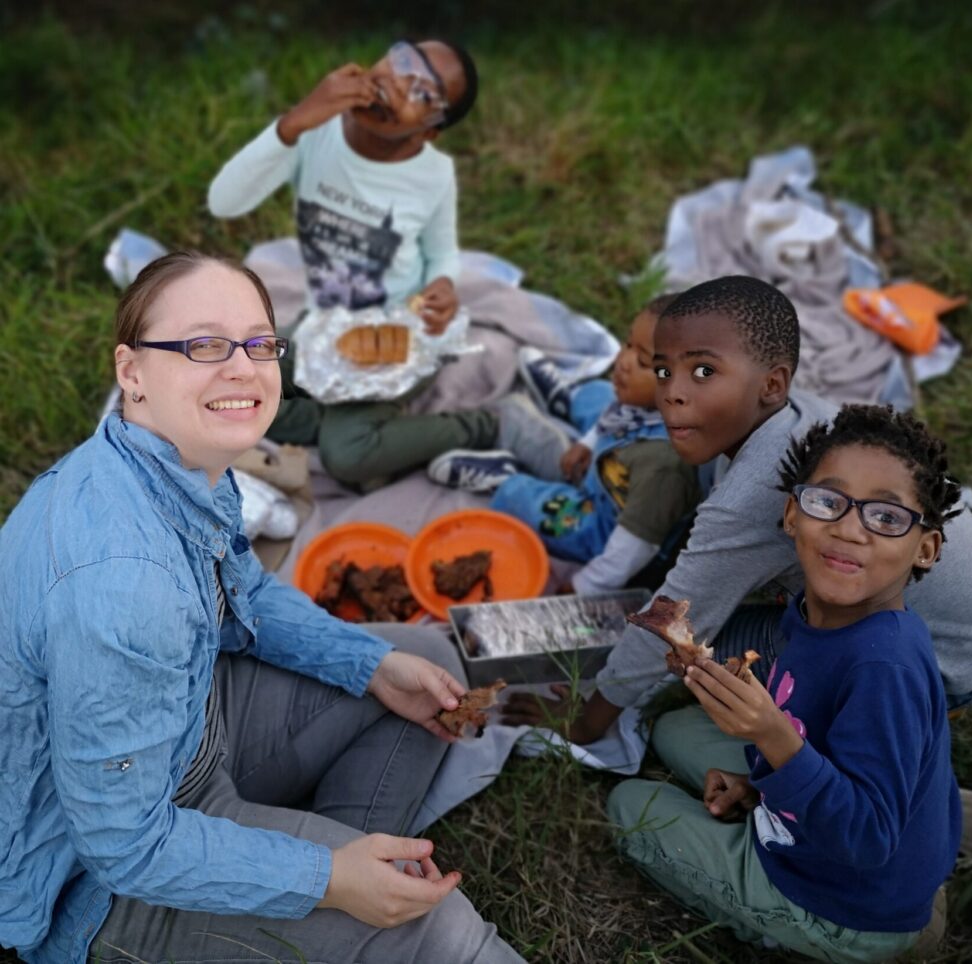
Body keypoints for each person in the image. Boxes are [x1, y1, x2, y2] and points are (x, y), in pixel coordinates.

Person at [0, 252, 524, 964]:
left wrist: (368, 663)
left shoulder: (174, 463)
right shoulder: (123, 593)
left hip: (189, 737)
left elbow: (242, 592)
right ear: (132, 373)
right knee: (438, 932)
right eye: (204, 346)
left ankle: (320, 911)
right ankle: (336, 908)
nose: (243, 368)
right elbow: (123, 844)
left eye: (258, 343)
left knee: (422, 665)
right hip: (98, 884)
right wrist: (325, 878)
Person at [501, 275, 972, 745]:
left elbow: (672, 622)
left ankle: (906, 725)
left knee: (693, 656)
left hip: (948, 662)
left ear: (772, 383)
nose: (672, 394)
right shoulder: (797, 418)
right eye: (662, 371)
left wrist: (584, 722)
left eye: (703, 371)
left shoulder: (754, 494)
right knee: (684, 604)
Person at [607, 404, 963, 962]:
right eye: (828, 501)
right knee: (675, 729)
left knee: (631, 807)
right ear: (791, 515)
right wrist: (759, 785)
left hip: (847, 903)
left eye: (887, 518)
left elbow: (868, 837)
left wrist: (773, 740)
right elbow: (822, 736)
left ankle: (875, 936)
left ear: (926, 549)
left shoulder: (885, 667)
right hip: (839, 817)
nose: (849, 529)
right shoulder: (816, 611)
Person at [208, 39, 565, 488]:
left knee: (347, 457)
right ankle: (345, 419)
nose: (397, 83)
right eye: (401, 62)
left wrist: (443, 286)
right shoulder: (317, 135)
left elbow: (441, 253)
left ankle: (492, 424)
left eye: (423, 93)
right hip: (322, 327)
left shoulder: (432, 174)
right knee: (225, 384)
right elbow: (224, 201)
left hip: (402, 341)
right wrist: (295, 122)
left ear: (431, 130)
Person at [427, 294, 700, 595]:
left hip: (602, 523)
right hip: (604, 466)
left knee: (545, 509)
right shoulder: (645, 406)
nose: (623, 361)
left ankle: (506, 478)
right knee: (599, 394)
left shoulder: (665, 469)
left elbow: (629, 551)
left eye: (643, 361)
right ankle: (566, 399)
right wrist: (586, 444)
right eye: (627, 344)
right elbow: (614, 416)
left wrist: (583, 586)